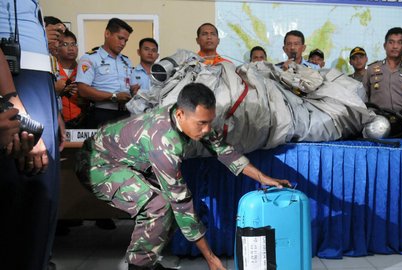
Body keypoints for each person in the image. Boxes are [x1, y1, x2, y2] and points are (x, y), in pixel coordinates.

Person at [76, 82, 290, 270]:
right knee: (159, 205)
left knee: (166, 207)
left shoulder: (191, 117)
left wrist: (263, 178)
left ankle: (147, 262)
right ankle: (139, 266)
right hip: (98, 164)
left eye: (209, 122)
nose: (207, 129)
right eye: (201, 124)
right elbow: (182, 204)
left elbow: (224, 151)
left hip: (127, 162)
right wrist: (212, 259)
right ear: (180, 114)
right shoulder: (164, 142)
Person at [0, 1, 61, 269]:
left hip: (37, 82)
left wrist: (54, 108)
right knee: (26, 185)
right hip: (15, 79)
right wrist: (12, 101)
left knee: (43, 194)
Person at [363, 27, 402, 138]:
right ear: (385, 45)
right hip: (376, 124)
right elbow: (364, 97)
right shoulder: (372, 69)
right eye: (391, 42)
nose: (395, 46)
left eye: (399, 42)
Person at [76, 18, 133, 129]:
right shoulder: (90, 58)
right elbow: (83, 90)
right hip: (102, 113)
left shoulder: (126, 61)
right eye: (120, 38)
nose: (123, 43)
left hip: (125, 114)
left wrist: (133, 90)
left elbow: (127, 87)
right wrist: (114, 97)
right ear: (107, 33)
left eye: (126, 41)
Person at [56, 30, 85, 128]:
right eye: (65, 44)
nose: (71, 48)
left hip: (81, 121)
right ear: (57, 48)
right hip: (57, 121)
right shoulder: (51, 69)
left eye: (73, 44)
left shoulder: (85, 70)